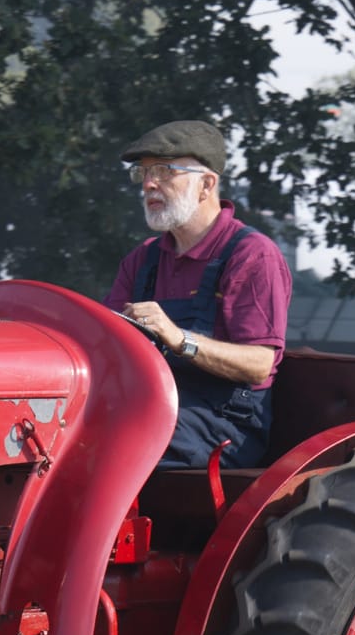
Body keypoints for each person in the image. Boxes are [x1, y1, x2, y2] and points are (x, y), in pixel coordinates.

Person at [102, 120, 292, 469]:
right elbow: (107, 345)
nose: (148, 184)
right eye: (142, 173)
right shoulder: (141, 260)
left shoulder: (252, 255)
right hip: (154, 405)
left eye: (163, 171)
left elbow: (260, 364)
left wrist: (178, 339)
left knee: (115, 437)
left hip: (226, 427)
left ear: (206, 184)